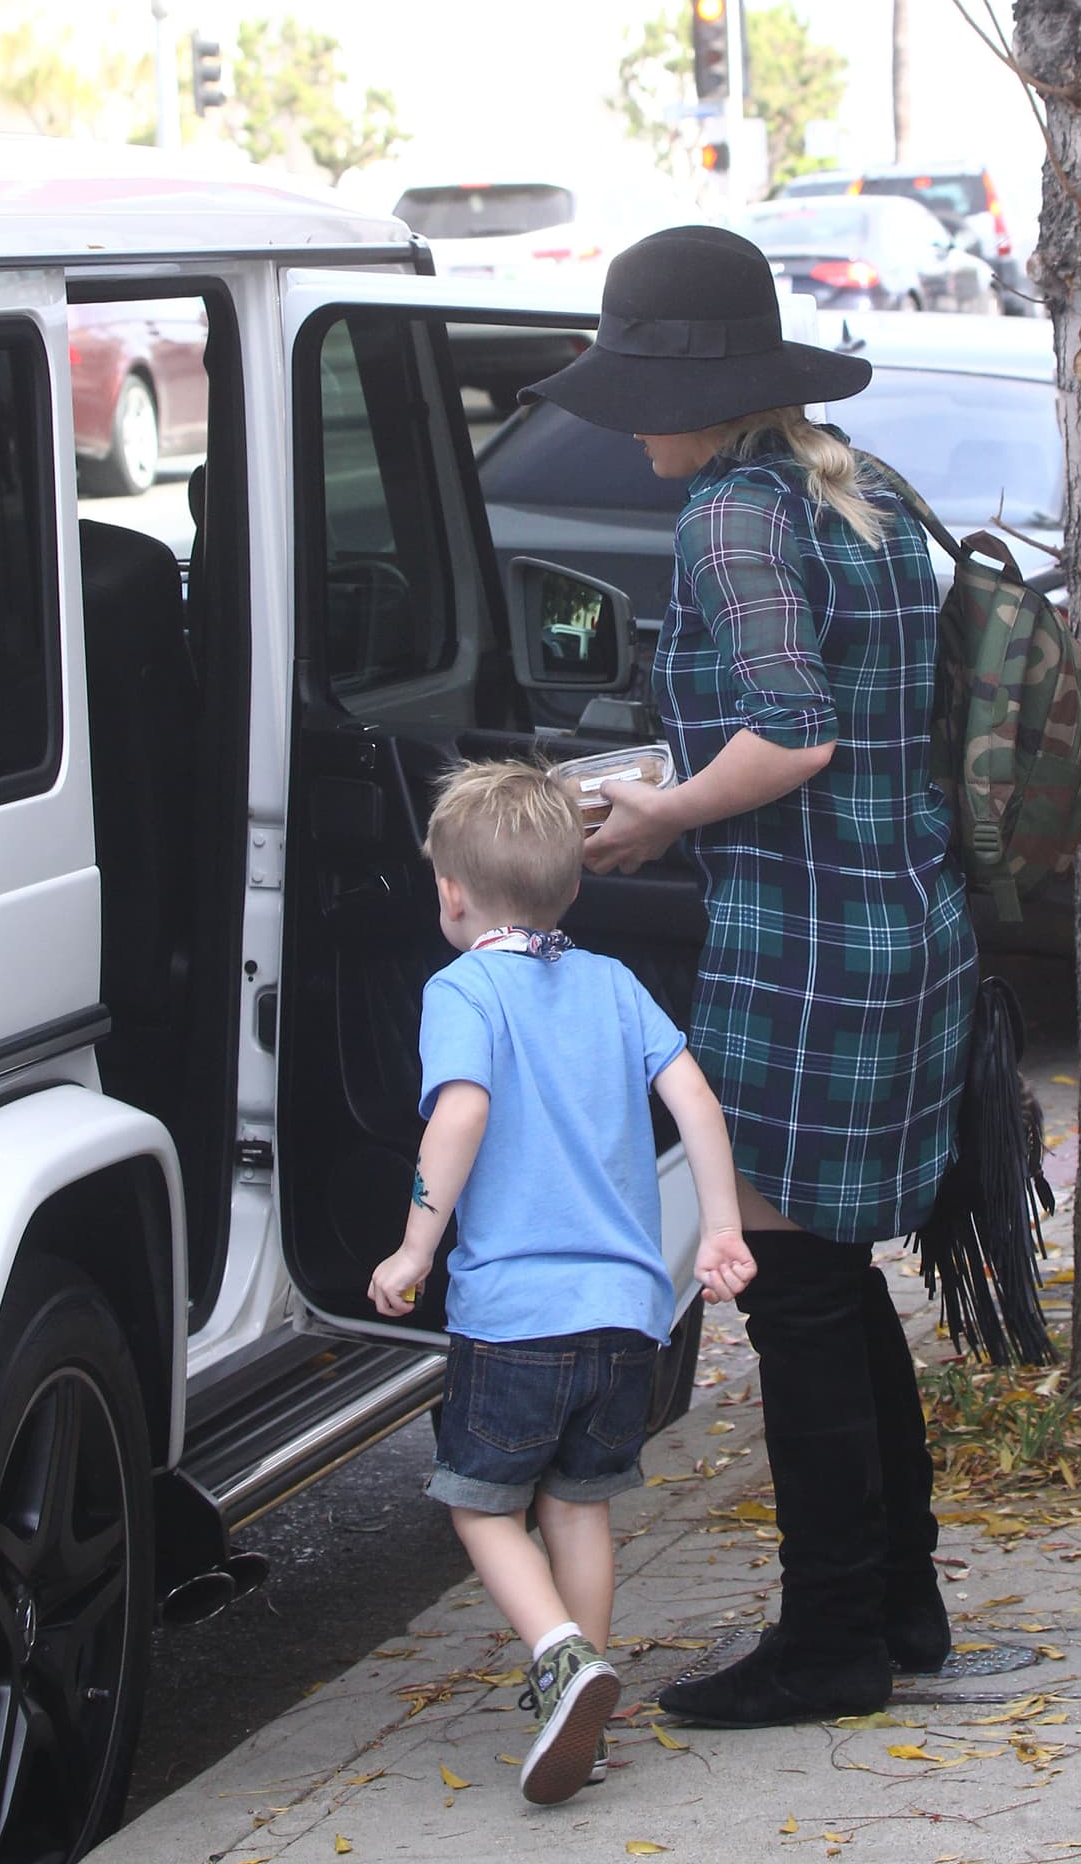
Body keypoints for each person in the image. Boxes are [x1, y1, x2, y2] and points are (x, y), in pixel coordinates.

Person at [519, 225, 979, 1728]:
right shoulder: (860, 490)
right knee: (834, 1293)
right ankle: (898, 1608)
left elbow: (794, 732)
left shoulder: (731, 515)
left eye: (640, 382)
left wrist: (656, 813)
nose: (626, 414)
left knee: (792, 1297)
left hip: (809, 954)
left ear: (697, 386)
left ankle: (834, 1642)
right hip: (904, 926)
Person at [367, 758, 756, 1804]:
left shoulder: (460, 991)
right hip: (627, 1316)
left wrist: (414, 1248)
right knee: (578, 1508)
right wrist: (717, 1230)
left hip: (515, 1315)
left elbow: (458, 1115)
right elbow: (698, 1106)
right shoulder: (614, 984)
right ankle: (582, 1678)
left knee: (483, 1507)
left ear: (449, 892)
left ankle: (558, 1655)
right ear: (571, 886)